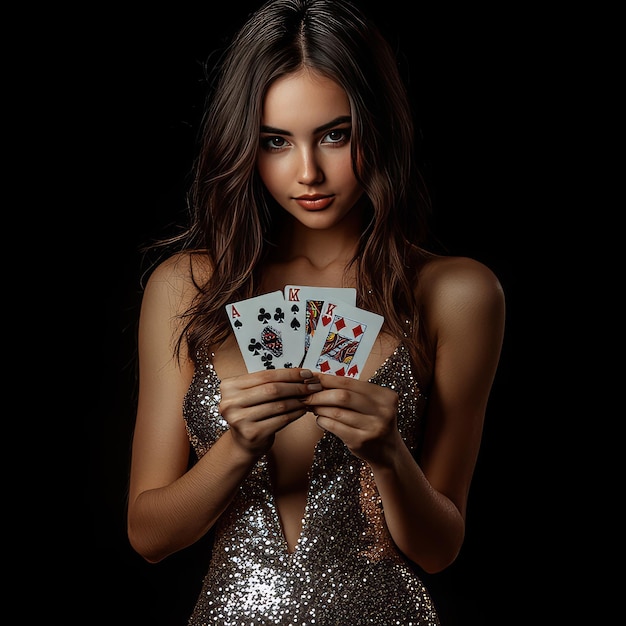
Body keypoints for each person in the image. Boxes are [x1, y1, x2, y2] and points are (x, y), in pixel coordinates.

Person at [127, 0, 505, 624]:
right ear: (245, 146)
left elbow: (439, 550)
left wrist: (388, 454)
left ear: (377, 127)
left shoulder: (456, 293)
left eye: (336, 134)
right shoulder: (185, 286)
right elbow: (149, 534)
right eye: (275, 142)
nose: (307, 172)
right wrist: (238, 445)